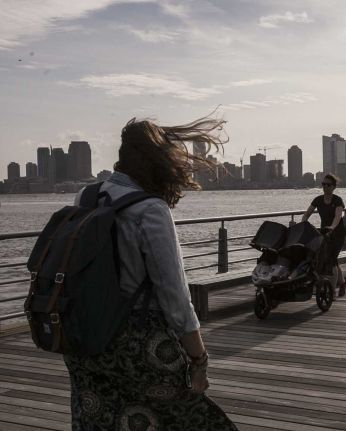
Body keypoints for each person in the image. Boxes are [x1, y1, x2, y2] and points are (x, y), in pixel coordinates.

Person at [64, 117, 238, 430]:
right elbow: (174, 295)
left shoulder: (85, 196)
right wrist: (199, 360)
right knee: (196, 421)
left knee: (99, 419)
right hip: (138, 341)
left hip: (85, 336)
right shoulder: (150, 208)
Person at [301, 174, 346, 296]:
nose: (325, 187)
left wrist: (332, 227)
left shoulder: (337, 200)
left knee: (331, 260)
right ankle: (343, 283)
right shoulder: (318, 200)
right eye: (323, 184)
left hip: (337, 234)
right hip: (325, 234)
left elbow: (338, 216)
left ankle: (331, 292)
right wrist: (303, 224)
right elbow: (307, 214)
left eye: (328, 185)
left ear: (333, 187)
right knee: (332, 260)